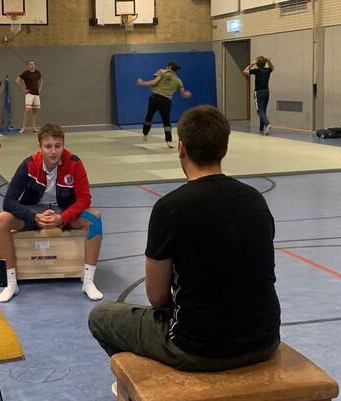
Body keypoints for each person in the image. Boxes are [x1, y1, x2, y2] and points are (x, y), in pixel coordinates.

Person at [88, 105, 281, 372]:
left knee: (101, 316)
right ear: (223, 149)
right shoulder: (255, 200)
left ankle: (142, 386)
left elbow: (157, 297)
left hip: (198, 349)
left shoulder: (169, 208)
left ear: (181, 148)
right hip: (264, 340)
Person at [0, 123, 104, 303]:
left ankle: (89, 281)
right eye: (48, 146)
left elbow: (84, 199)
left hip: (63, 212)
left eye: (58, 146)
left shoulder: (75, 163)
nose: (53, 151)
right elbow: (8, 202)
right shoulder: (28, 165)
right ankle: (10, 282)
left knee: (94, 217)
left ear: (63, 145)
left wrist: (62, 217)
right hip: (35, 212)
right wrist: (34, 217)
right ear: (40, 147)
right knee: (1, 220)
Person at [137, 62, 192, 149]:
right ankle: (169, 141)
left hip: (155, 98)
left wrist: (142, 83)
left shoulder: (162, 72)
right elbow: (183, 94)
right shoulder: (178, 80)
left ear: (169, 67)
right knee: (166, 121)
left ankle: (145, 135)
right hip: (166, 101)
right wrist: (187, 94)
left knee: (149, 116)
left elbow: (154, 82)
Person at [243, 56, 274, 135]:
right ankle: (261, 129)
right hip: (266, 92)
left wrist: (252, 64)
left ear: (257, 63)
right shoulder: (267, 70)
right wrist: (268, 61)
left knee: (260, 111)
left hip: (259, 92)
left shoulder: (257, 71)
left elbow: (245, 71)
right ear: (264, 63)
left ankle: (267, 124)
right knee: (263, 110)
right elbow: (272, 67)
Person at [16, 60, 42, 134]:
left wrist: (39, 89)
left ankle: (34, 127)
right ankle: (23, 128)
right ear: (28, 65)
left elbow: (41, 80)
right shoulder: (25, 73)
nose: (32, 65)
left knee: (35, 111)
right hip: (29, 94)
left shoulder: (38, 72)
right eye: (30, 64)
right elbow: (17, 80)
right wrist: (23, 89)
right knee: (27, 110)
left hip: (36, 94)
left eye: (33, 64)